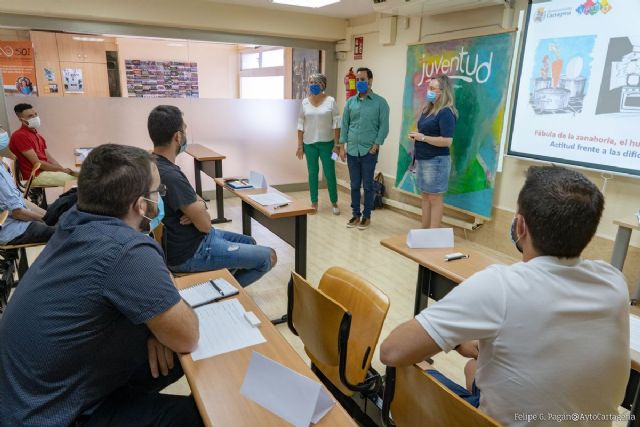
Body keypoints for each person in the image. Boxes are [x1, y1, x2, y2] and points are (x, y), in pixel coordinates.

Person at [379, 166, 629, 427]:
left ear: (520, 225)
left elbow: (391, 351)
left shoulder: (500, 285)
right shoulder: (614, 282)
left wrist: (451, 342)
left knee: (412, 364)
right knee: (473, 368)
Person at [0, 144, 203, 427]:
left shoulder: (74, 221)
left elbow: (151, 282)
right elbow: (187, 336)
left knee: (168, 361)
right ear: (140, 205)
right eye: (158, 192)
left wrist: (157, 326)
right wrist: (165, 323)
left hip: (28, 396)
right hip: (51, 415)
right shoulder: (125, 249)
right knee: (204, 414)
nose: (161, 199)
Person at [148, 105, 276, 287]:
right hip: (192, 249)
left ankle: (223, 283)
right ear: (178, 137)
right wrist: (198, 209)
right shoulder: (171, 175)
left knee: (250, 241)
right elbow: (206, 225)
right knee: (268, 257)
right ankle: (223, 293)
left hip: (184, 241)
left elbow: (197, 205)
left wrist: (198, 206)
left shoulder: (151, 164)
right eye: (184, 130)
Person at [338, 67, 389, 230]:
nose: (359, 82)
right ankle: (355, 214)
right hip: (352, 150)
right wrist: (342, 146)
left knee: (367, 186)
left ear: (370, 81)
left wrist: (376, 145)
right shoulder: (350, 102)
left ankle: (366, 216)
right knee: (353, 185)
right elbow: (344, 125)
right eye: (357, 80)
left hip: (369, 151)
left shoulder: (380, 103)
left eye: (362, 79)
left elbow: (384, 127)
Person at [408, 75, 458, 228]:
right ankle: (424, 230)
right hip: (423, 159)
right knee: (425, 196)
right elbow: (427, 130)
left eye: (432, 88)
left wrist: (422, 137)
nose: (428, 91)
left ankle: (433, 233)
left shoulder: (446, 112)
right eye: (428, 88)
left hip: (436, 161)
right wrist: (417, 134)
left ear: (442, 92)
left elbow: (447, 141)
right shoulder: (428, 109)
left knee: (434, 198)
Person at [0, 127, 55, 245]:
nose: (3, 132)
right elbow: (18, 212)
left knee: (63, 222)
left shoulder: (2, 165)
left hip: (17, 220)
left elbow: (20, 199)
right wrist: (48, 220)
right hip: (11, 230)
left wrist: (49, 217)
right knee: (68, 233)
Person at [296, 73, 341, 215]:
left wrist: (337, 145)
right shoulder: (304, 102)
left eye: (316, 82)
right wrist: (299, 145)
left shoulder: (331, 101)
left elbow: (337, 123)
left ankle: (334, 202)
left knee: (330, 173)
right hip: (309, 144)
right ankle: (314, 202)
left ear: (323, 85)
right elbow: (300, 124)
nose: (312, 85)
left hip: (328, 145)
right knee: (312, 173)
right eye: (310, 82)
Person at [9, 103, 78, 187]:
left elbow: (49, 158)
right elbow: (37, 163)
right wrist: (60, 170)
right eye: (30, 116)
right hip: (35, 176)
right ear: (22, 120)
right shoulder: (19, 136)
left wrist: (62, 169)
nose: (35, 117)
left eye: (36, 114)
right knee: (76, 182)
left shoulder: (38, 136)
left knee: (81, 177)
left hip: (45, 173)